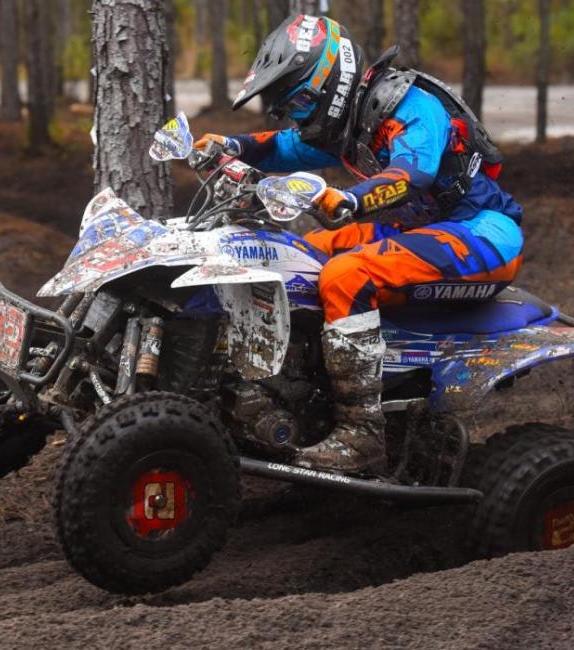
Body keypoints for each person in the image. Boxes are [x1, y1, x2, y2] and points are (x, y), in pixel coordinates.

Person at [195, 14, 524, 474]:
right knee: (299, 254)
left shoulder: (411, 104)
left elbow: (413, 173)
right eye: (290, 108)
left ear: (328, 81)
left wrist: (351, 198)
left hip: (481, 229)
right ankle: (302, 390)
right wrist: (231, 146)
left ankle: (361, 433)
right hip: (413, 226)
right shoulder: (349, 123)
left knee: (346, 275)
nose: (298, 117)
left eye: (300, 103)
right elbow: (285, 148)